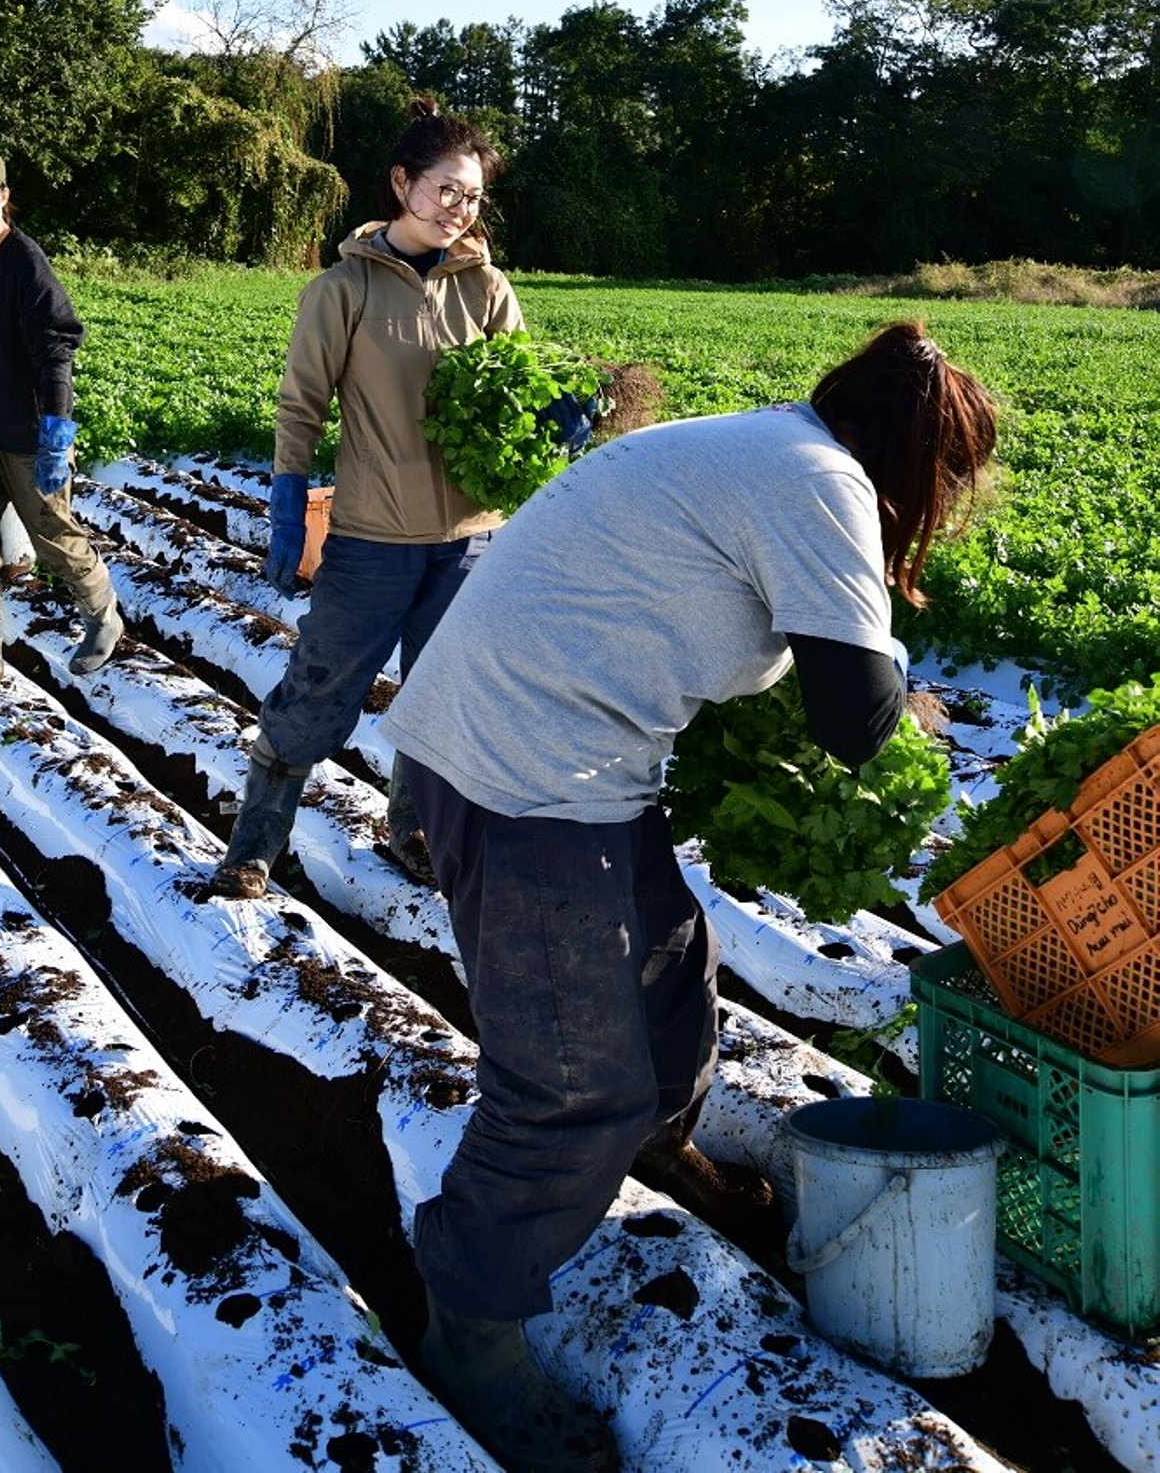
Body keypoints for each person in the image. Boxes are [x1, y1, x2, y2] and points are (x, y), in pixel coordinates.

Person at [375, 322, 1000, 1473]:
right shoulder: (822, 484)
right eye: (944, 485)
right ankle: (471, 1324)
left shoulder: (769, 447)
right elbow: (854, 719)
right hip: (526, 776)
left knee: (671, 976)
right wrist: (907, 702)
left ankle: (664, 1154)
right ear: (912, 462)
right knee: (570, 1085)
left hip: (550, 750)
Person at [211, 99, 546, 899]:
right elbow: (301, 406)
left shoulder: (487, 287)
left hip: (470, 541)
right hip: (372, 540)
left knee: (440, 701)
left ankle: (414, 832)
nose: (458, 209)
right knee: (318, 692)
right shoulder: (344, 288)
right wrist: (287, 500)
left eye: (472, 196)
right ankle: (254, 846)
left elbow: (520, 392)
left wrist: (556, 420)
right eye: (444, 190)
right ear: (402, 184)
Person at [0, 145, 123, 693]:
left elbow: (57, 346)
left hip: (31, 436)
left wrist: (57, 429)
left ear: (3, 196)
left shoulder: (24, 262)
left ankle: (103, 616)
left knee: (53, 538)